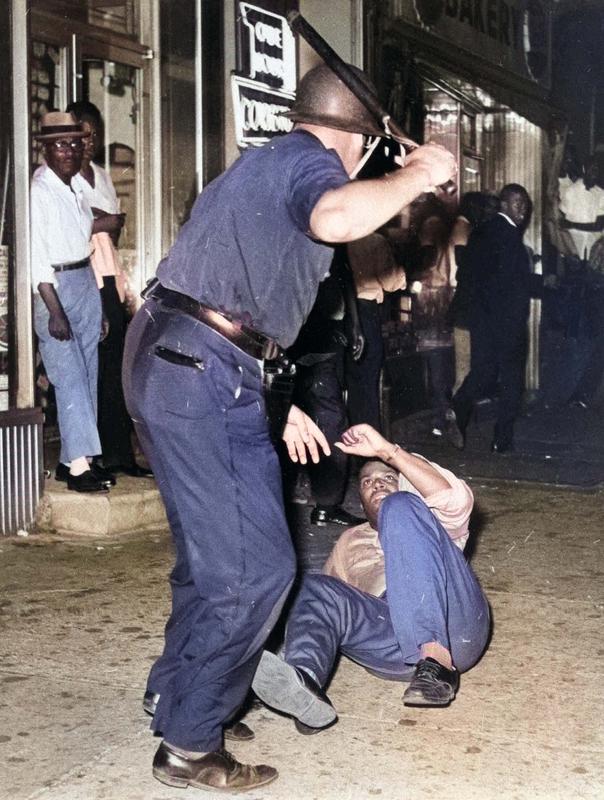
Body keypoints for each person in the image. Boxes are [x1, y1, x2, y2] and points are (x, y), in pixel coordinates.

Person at [122, 62, 456, 791]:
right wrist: (420, 172)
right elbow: (335, 217)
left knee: (211, 559)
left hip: (180, 354)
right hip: (203, 368)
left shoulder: (264, 161)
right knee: (260, 569)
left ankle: (178, 695)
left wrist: (277, 394)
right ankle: (188, 742)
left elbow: (232, 287)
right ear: (365, 143)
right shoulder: (309, 165)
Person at [252, 422, 489, 731]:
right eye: (367, 482)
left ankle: (436, 661)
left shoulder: (431, 518)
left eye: (388, 478)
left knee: (399, 507)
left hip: (453, 624)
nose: (377, 485)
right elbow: (319, 610)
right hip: (392, 643)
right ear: (360, 501)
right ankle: (304, 685)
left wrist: (387, 452)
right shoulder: (350, 541)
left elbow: (456, 501)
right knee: (311, 585)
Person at [66, 100, 152, 480]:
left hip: (109, 275)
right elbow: (73, 230)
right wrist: (101, 221)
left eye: (94, 134)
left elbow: (112, 228)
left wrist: (102, 222)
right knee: (90, 371)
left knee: (117, 369)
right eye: (82, 133)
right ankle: (89, 455)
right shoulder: (60, 176)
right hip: (82, 278)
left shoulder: (100, 176)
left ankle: (119, 454)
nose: (88, 141)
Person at [31, 111, 112, 493]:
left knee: (88, 373)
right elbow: (36, 258)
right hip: (54, 288)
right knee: (69, 378)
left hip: (83, 279)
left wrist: (95, 299)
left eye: (75, 143)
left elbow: (86, 243)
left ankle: (72, 461)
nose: (69, 151)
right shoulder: (39, 190)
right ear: (46, 148)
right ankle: (81, 470)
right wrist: (54, 310)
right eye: (61, 144)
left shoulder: (76, 187)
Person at [448, 184, 540, 453]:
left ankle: (459, 407)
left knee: (483, 372)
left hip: (483, 320)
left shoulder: (481, 233)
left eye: (525, 204)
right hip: (508, 322)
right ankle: (502, 440)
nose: (523, 209)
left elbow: (471, 276)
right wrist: (545, 284)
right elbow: (515, 283)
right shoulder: (510, 236)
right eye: (517, 203)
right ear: (504, 204)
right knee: (512, 380)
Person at [287, 248, 365, 527]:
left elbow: (344, 274)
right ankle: (325, 504)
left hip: (316, 332)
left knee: (321, 415)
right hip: (306, 333)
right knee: (325, 415)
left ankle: (324, 503)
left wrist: (353, 323)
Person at [345, 230, 406, 432]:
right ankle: (370, 441)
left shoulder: (339, 239)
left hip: (341, 312)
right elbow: (391, 283)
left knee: (351, 383)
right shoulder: (374, 241)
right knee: (369, 384)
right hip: (367, 312)